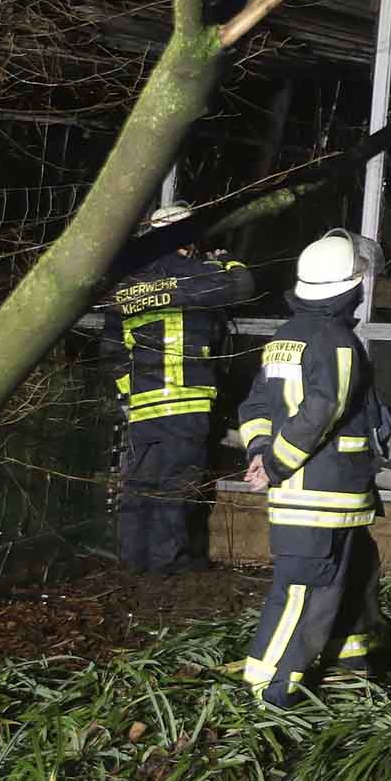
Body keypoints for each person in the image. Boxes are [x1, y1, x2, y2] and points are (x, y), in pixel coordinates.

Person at [234, 229, 387, 708]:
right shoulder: (337, 341)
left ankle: (349, 665)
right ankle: (267, 691)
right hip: (322, 494)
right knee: (303, 594)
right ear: (349, 289)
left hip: (318, 495)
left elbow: (256, 405)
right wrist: (274, 463)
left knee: (353, 580)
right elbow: (322, 409)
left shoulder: (284, 338)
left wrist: (260, 450)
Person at [103, 203, 256, 576]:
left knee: (139, 485)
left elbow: (112, 351)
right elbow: (243, 286)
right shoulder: (194, 274)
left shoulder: (126, 284)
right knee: (177, 486)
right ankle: (167, 567)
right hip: (186, 403)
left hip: (143, 405)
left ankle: (132, 563)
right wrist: (227, 260)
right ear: (187, 240)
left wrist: (130, 395)